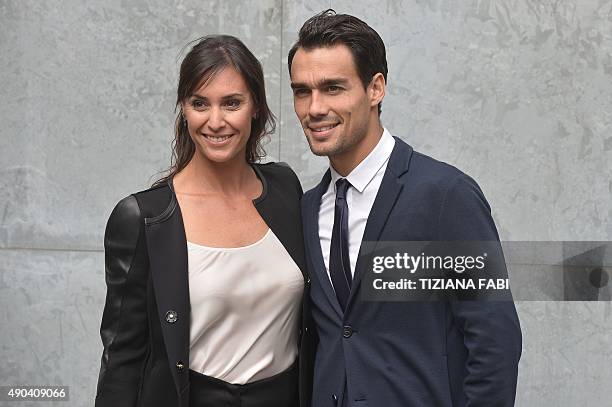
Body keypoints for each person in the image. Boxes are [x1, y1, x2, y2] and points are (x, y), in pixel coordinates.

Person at [288, 10, 522, 407]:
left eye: (333, 88)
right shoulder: (308, 209)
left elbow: (495, 343)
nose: (314, 108)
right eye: (302, 91)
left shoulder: (447, 195)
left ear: (375, 88)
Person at [95, 35, 311, 407]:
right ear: (184, 108)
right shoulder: (144, 218)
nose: (216, 121)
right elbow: (123, 359)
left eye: (232, 103)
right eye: (200, 103)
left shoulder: (284, 189)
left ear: (255, 106)